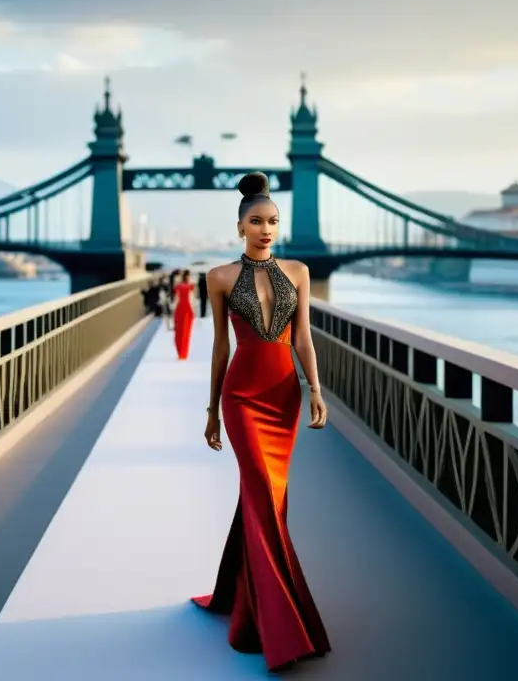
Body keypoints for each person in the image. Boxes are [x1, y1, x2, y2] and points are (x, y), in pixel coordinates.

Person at [192, 171, 331, 673]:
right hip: (243, 398)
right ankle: (281, 625)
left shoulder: (298, 271)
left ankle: (248, 604)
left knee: (270, 498)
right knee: (260, 492)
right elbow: (220, 347)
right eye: (256, 221)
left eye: (273, 221)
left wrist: (315, 389)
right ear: (239, 227)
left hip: (283, 397)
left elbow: (303, 340)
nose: (266, 229)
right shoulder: (219, 278)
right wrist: (211, 409)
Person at [172, 269, 196, 360]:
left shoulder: (178, 287)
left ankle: (180, 353)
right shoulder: (190, 287)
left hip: (179, 310)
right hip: (187, 311)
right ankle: (183, 353)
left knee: (179, 332)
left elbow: (175, 300)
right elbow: (193, 301)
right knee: (186, 333)